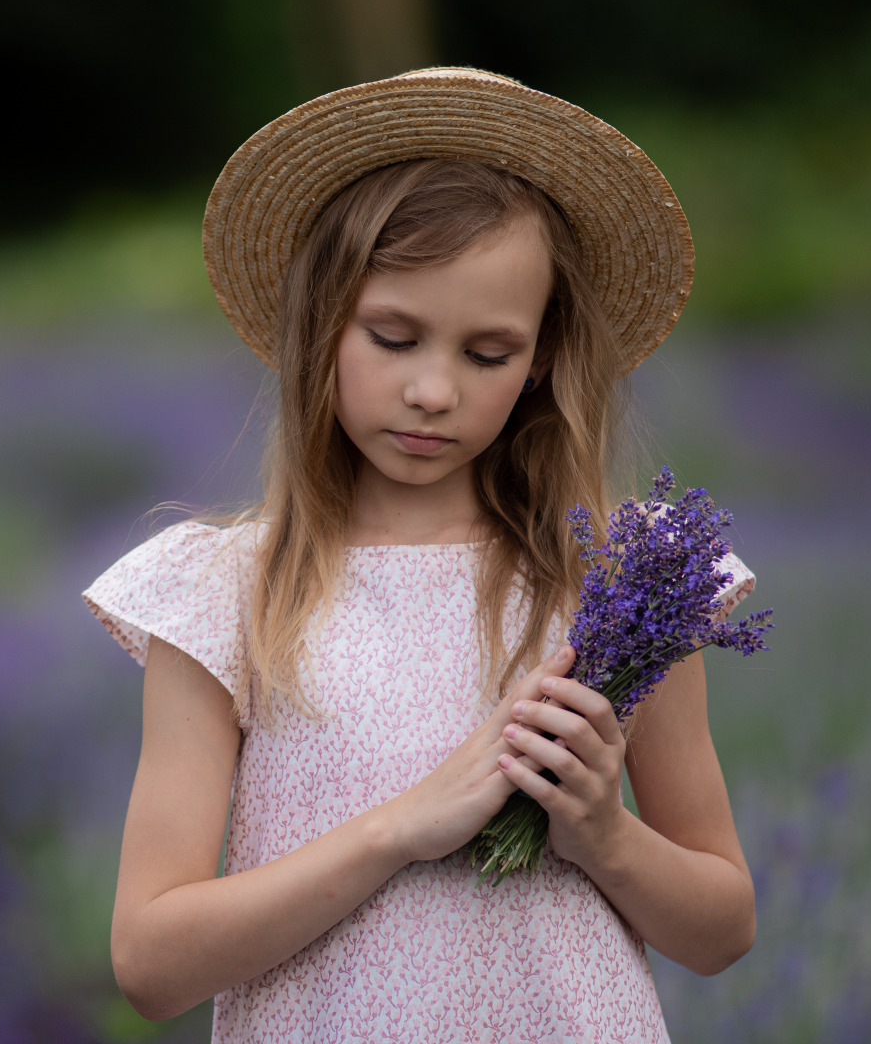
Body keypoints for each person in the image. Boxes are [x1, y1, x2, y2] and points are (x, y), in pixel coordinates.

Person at [82, 68, 757, 1043]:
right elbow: (149, 964)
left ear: (538, 362)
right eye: (395, 337)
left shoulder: (623, 581)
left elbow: (722, 927)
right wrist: (403, 828)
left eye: (487, 354)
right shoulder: (224, 592)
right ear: (322, 326)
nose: (434, 390)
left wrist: (603, 834)